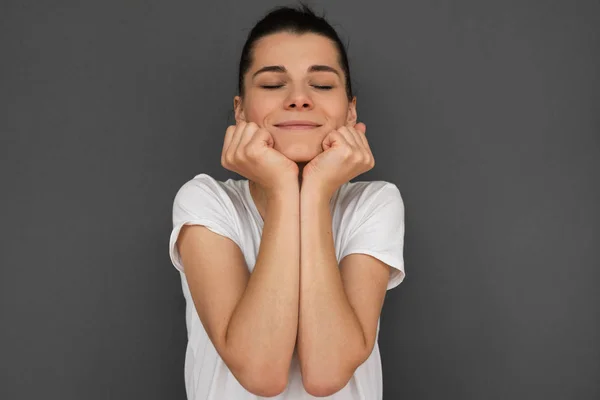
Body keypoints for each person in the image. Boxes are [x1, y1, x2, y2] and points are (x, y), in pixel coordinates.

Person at [169, 4, 405, 399]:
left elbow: (326, 374)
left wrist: (312, 191)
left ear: (351, 112)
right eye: (273, 84)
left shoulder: (375, 203)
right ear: (240, 110)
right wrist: (282, 187)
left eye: (323, 85)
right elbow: (261, 373)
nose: (298, 99)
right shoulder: (206, 201)